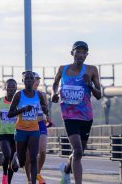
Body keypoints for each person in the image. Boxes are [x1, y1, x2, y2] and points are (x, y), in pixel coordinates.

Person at [52, 41, 101, 184]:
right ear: (72, 53)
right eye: (77, 51)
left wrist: (89, 85)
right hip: (69, 116)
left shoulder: (91, 70)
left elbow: (99, 95)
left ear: (86, 55)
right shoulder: (62, 69)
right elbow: (55, 83)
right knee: (78, 151)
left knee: (79, 153)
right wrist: (54, 94)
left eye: (83, 52)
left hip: (86, 117)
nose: (80, 55)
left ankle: (66, 170)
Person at [8, 71, 49, 184]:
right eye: (27, 79)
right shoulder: (18, 95)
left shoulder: (39, 95)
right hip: (21, 130)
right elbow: (10, 114)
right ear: (23, 80)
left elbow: (44, 107)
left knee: (33, 158)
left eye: (32, 78)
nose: (30, 81)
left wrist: (45, 109)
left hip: (34, 130)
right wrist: (23, 109)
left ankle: (32, 181)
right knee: (22, 162)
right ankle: (16, 157)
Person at [24, 72, 52, 184]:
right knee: (28, 157)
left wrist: (48, 117)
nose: (37, 81)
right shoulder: (23, 94)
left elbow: (45, 108)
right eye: (35, 79)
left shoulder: (42, 94)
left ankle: (38, 174)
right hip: (28, 125)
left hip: (40, 124)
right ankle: (29, 179)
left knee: (43, 150)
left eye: (38, 79)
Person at [0, 79, 18, 184]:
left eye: (14, 86)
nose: (11, 89)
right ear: (5, 87)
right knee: (7, 155)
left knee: (12, 159)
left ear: (16, 88)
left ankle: (8, 181)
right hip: (3, 134)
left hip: (15, 134)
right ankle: (4, 174)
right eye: (9, 86)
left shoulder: (19, 102)